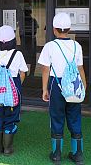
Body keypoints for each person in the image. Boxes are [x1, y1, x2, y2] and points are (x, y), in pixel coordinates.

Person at [38, 13, 87, 164]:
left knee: (57, 117)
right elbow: (80, 68)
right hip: (74, 86)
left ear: (54, 29)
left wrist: (44, 89)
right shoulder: (76, 46)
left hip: (56, 84)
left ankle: (56, 154)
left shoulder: (50, 46)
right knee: (75, 117)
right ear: (69, 29)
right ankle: (77, 154)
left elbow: (45, 69)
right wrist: (84, 86)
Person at [0, 25, 28, 155]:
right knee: (11, 118)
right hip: (12, 90)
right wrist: (15, 87)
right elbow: (23, 73)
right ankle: (7, 148)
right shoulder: (17, 54)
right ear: (13, 40)